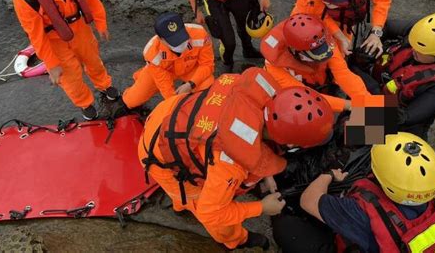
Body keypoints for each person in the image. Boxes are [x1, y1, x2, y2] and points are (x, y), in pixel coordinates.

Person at [138, 67, 335, 249]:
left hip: (173, 112)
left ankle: (180, 202)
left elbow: (255, 141)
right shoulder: (230, 163)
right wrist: (261, 208)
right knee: (206, 209)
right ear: (291, 144)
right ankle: (236, 240)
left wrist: (265, 173)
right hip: (158, 151)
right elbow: (211, 212)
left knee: (191, 188)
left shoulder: (263, 97)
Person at [12, 0, 118, 120]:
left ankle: (104, 84)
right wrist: (51, 64)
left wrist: (101, 23)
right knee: (70, 77)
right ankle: (85, 103)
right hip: (55, 41)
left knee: (93, 60)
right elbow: (36, 36)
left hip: (80, 29)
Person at [300, 132, 435, 253]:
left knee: (287, 227)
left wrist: (328, 175)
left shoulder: (362, 212)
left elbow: (308, 200)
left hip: (374, 234)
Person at [355, 12, 435, 138]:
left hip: (403, 113)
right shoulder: (422, 31)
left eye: (421, 50)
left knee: (355, 135)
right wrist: (374, 41)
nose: (413, 49)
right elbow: (387, 26)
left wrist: (371, 89)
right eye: (413, 43)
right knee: (353, 63)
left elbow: (405, 117)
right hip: (385, 79)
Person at [261, 13, 370, 112]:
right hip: (298, 102)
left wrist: (366, 100)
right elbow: (305, 96)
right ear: (295, 51)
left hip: (321, 83)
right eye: (316, 54)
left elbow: (343, 73)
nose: (322, 56)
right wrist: (350, 105)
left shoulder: (320, 37)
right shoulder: (274, 66)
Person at [122, 12, 214, 109]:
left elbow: (207, 65)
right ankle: (142, 74)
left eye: (182, 37)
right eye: (175, 42)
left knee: (207, 84)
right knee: (131, 101)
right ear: (161, 39)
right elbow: (164, 84)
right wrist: (175, 102)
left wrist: (190, 84)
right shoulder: (152, 53)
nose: (181, 44)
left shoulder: (200, 34)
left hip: (189, 68)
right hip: (165, 72)